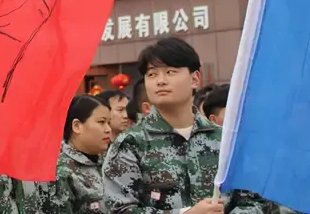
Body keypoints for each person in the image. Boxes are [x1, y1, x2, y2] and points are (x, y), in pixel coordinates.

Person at [103, 37, 266, 214]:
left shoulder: (226, 142)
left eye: (170, 72)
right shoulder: (130, 144)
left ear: (195, 79)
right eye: (152, 74)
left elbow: (257, 202)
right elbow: (119, 209)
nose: (160, 81)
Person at [52, 95, 111, 214]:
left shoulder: (110, 162)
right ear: (77, 126)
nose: (108, 129)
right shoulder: (62, 173)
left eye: (109, 123)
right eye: (101, 122)